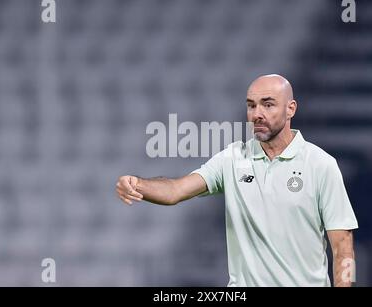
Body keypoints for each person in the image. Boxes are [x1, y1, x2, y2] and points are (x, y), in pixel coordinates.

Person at [115, 74, 358, 287]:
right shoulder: (232, 159)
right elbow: (175, 191)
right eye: (251, 106)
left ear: (291, 108)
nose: (257, 114)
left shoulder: (320, 165)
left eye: (268, 104)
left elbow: (342, 246)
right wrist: (138, 184)